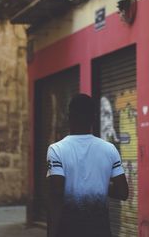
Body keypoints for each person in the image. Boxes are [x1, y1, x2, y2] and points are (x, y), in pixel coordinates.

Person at [46, 93, 129, 237]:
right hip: (101, 231)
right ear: (93, 118)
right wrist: (98, 183)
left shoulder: (56, 150)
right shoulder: (109, 149)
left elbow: (56, 195)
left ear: (69, 117)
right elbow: (123, 192)